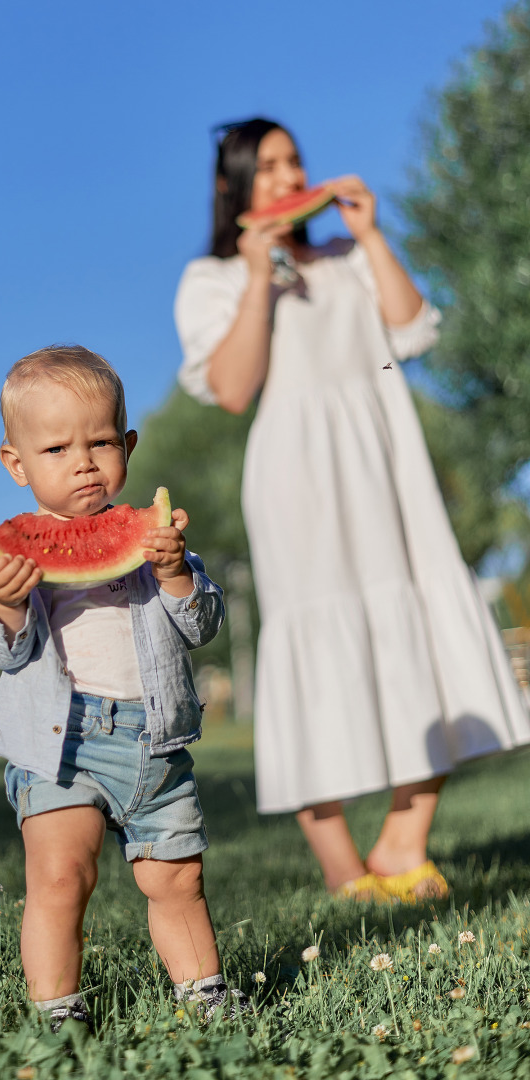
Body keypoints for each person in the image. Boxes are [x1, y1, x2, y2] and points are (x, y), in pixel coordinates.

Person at [174, 118, 530, 902]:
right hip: (296, 478)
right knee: (314, 646)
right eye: (266, 165)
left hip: (387, 463)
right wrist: (260, 272)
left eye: (294, 160)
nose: (287, 174)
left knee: (427, 627)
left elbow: (411, 329)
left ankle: (404, 845)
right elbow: (233, 389)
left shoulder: (342, 260)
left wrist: (369, 237)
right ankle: (342, 871)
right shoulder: (213, 280)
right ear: (231, 184)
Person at [0, 344, 247, 1032]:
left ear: (127, 446)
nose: (83, 461)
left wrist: (179, 574)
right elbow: (2, 648)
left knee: (175, 879)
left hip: (156, 742)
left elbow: (202, 623)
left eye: (99, 442)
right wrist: (5, 604)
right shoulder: (16, 556)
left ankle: (203, 994)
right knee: (61, 878)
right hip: (60, 748)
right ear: (17, 464)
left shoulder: (156, 541)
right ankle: (58, 1009)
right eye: (57, 448)